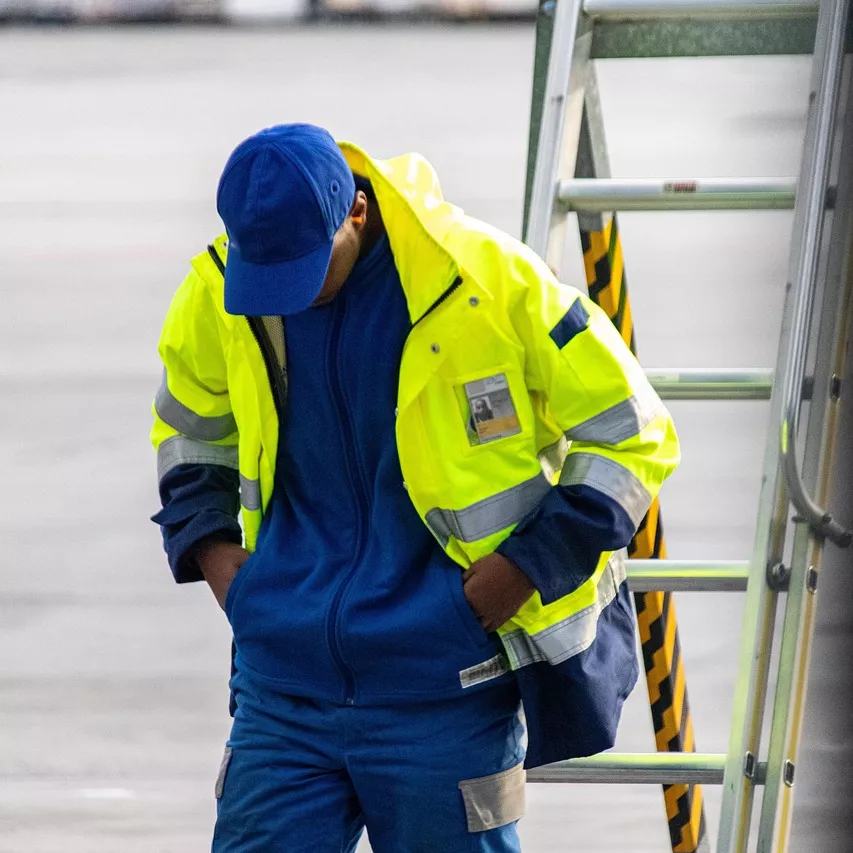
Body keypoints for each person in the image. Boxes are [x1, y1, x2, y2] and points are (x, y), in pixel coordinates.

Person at [150, 123, 680, 853]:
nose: (288, 296)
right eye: (267, 273)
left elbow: (632, 433)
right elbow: (189, 432)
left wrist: (522, 570)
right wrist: (224, 568)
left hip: (445, 682)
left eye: (308, 268)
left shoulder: (485, 280)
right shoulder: (219, 290)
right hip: (284, 682)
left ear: (356, 213)